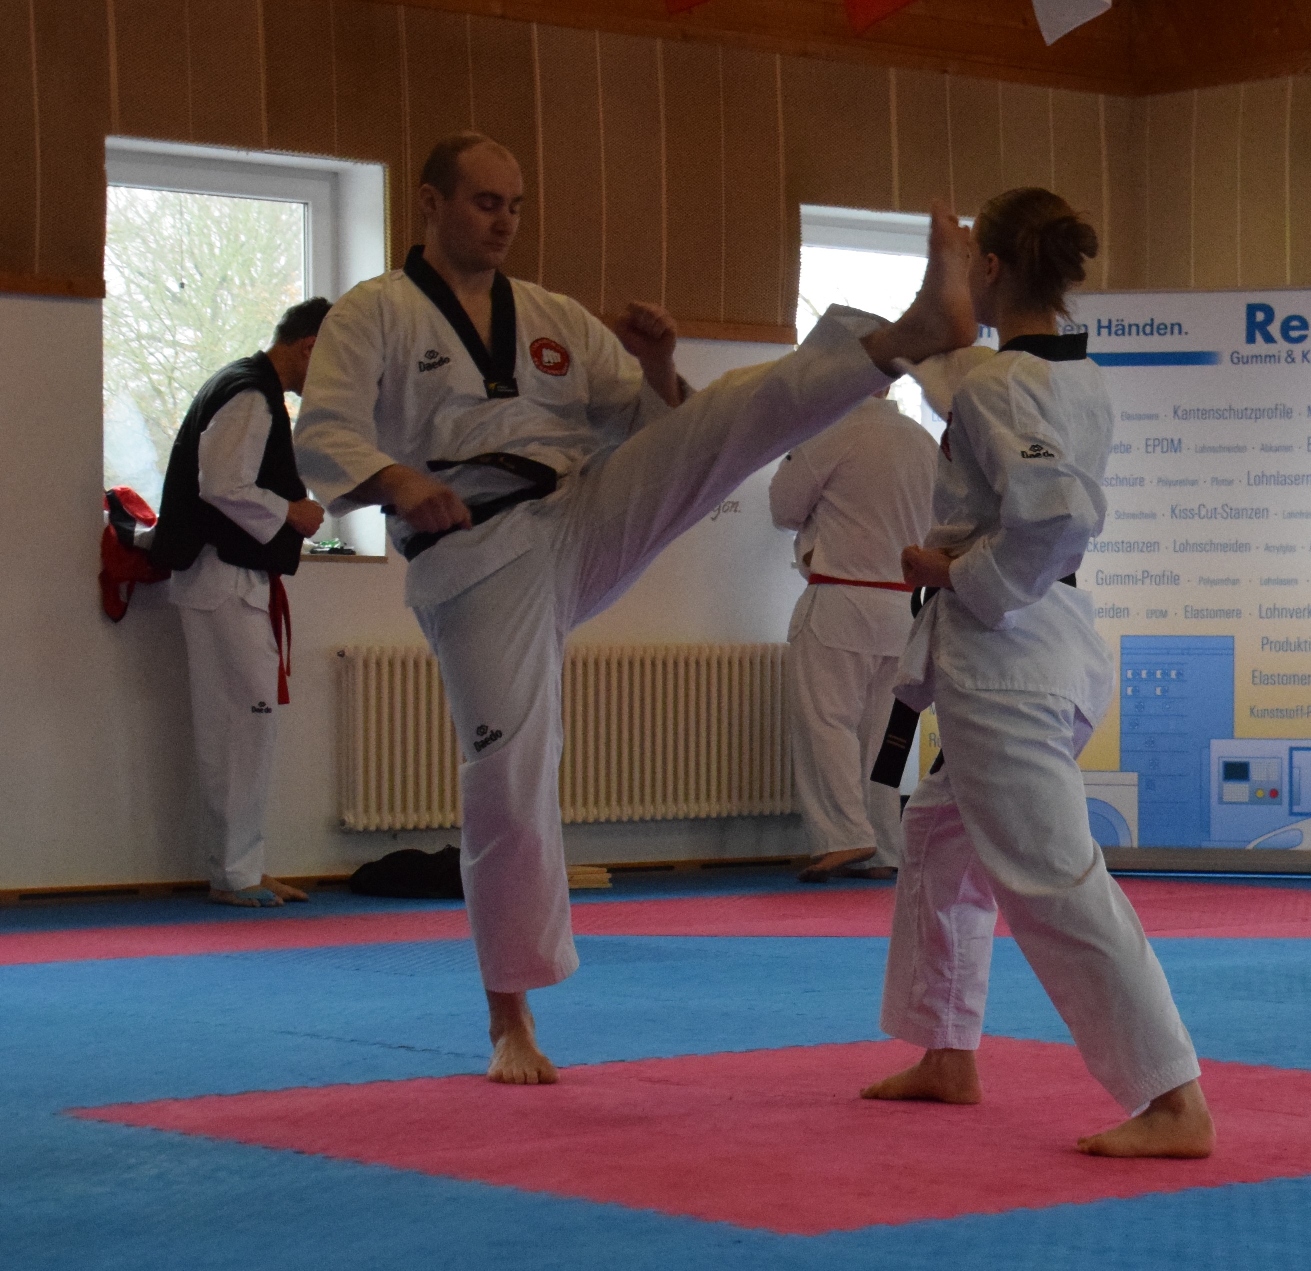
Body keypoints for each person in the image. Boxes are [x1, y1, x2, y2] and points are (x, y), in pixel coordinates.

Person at [294, 131, 976, 1085]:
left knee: (725, 412)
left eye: (515, 205)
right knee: (511, 771)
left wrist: (658, 366)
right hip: (474, 553)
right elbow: (325, 434)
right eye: (485, 201)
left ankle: (904, 336)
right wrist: (402, 481)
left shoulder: (550, 315)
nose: (503, 221)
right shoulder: (374, 314)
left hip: (579, 511)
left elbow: (657, 426)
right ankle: (510, 1018)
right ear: (430, 202)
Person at [861, 188, 1215, 1159]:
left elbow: (1056, 515)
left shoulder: (1001, 385)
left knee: (1052, 876)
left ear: (992, 267)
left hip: (1005, 654)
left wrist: (951, 571)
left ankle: (1172, 1096)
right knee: (938, 839)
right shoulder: (1068, 373)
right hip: (1037, 644)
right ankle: (947, 1049)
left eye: (969, 262)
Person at [152, 298, 330, 908]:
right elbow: (222, 483)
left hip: (228, 579)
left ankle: (242, 865)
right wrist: (293, 512)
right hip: (223, 579)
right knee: (240, 724)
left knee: (246, 725)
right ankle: (235, 873)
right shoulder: (250, 394)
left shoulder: (246, 387)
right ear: (309, 347)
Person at [769, 392, 936, 883]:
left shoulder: (831, 432)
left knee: (826, 721)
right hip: (904, 607)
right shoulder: (924, 442)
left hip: (840, 598)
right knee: (885, 736)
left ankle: (844, 836)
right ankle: (884, 847)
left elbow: (783, 507)